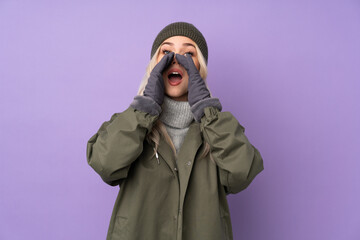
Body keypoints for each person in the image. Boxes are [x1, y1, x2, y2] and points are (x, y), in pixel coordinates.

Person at [86, 21, 264, 240]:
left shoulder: (218, 127)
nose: (176, 59)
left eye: (189, 53)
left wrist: (207, 111)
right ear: (154, 65)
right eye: (166, 52)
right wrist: (145, 108)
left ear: (200, 68)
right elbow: (105, 164)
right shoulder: (130, 122)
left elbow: (242, 173)